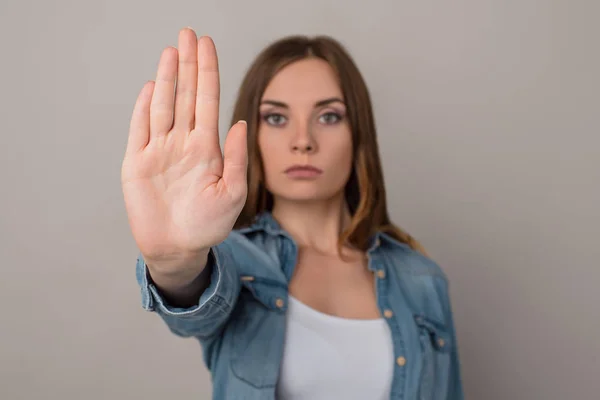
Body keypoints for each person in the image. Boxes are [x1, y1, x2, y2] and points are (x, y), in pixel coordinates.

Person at [121, 27, 464, 400]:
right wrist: (175, 262)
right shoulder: (232, 260)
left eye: (329, 116)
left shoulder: (421, 279)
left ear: (358, 133)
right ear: (252, 134)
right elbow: (193, 301)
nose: (303, 140)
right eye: (276, 118)